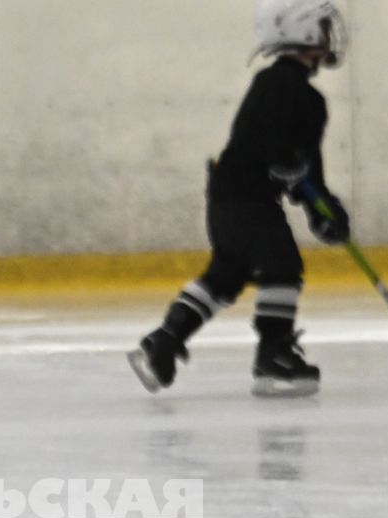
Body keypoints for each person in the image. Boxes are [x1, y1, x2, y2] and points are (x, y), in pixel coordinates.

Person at [129, 0, 351, 398]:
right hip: (247, 199)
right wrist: (292, 173)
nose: (328, 34)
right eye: (319, 26)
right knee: (283, 266)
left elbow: (303, 167)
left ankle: (162, 342)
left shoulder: (292, 90)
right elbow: (273, 147)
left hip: (228, 195)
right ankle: (274, 355)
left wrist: (323, 208)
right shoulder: (281, 86)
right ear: (299, 31)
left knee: (227, 273)